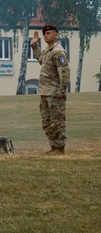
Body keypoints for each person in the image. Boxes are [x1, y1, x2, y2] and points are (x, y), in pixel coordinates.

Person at [31, 24, 70, 154]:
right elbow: (40, 59)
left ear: (56, 34)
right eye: (45, 34)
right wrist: (35, 45)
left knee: (56, 121)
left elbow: (64, 72)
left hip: (54, 93)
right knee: (47, 122)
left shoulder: (58, 51)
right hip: (45, 92)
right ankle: (54, 146)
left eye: (48, 33)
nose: (46, 35)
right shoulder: (48, 50)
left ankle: (60, 147)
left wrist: (61, 90)